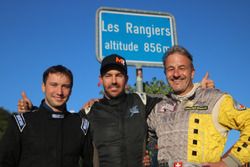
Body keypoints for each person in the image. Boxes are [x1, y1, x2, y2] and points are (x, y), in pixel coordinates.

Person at [17, 55, 214, 167]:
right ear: (100, 80)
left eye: (119, 75)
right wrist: (34, 109)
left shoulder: (141, 100)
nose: (113, 80)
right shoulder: (90, 110)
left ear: (126, 80)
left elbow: (175, 101)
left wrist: (197, 88)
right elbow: (62, 121)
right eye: (108, 75)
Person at [146, 46, 250, 167]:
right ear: (165, 73)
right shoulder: (158, 107)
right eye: (170, 69)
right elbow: (145, 139)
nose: (176, 74)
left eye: (182, 68)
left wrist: (230, 162)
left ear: (192, 73)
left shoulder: (214, 99)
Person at [0, 65, 93, 167]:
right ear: (43, 87)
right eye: (54, 85)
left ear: (71, 90)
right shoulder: (21, 123)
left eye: (65, 86)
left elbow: (89, 163)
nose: (59, 92)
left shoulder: (80, 125)